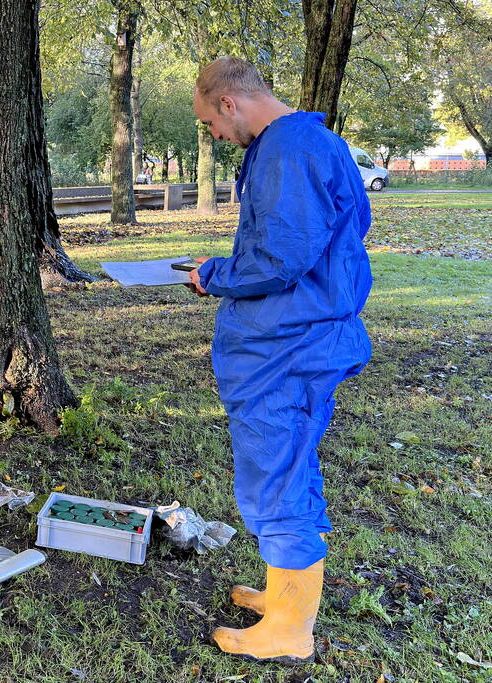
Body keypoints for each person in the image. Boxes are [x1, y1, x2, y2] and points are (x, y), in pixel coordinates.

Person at [187, 57, 372, 662]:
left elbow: (278, 259)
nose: (212, 134)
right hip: (301, 338)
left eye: (209, 122)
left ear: (229, 104)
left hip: (288, 347)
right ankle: (283, 594)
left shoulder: (289, 150)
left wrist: (214, 275)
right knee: (291, 462)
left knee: (279, 471)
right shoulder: (310, 144)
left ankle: (291, 628)